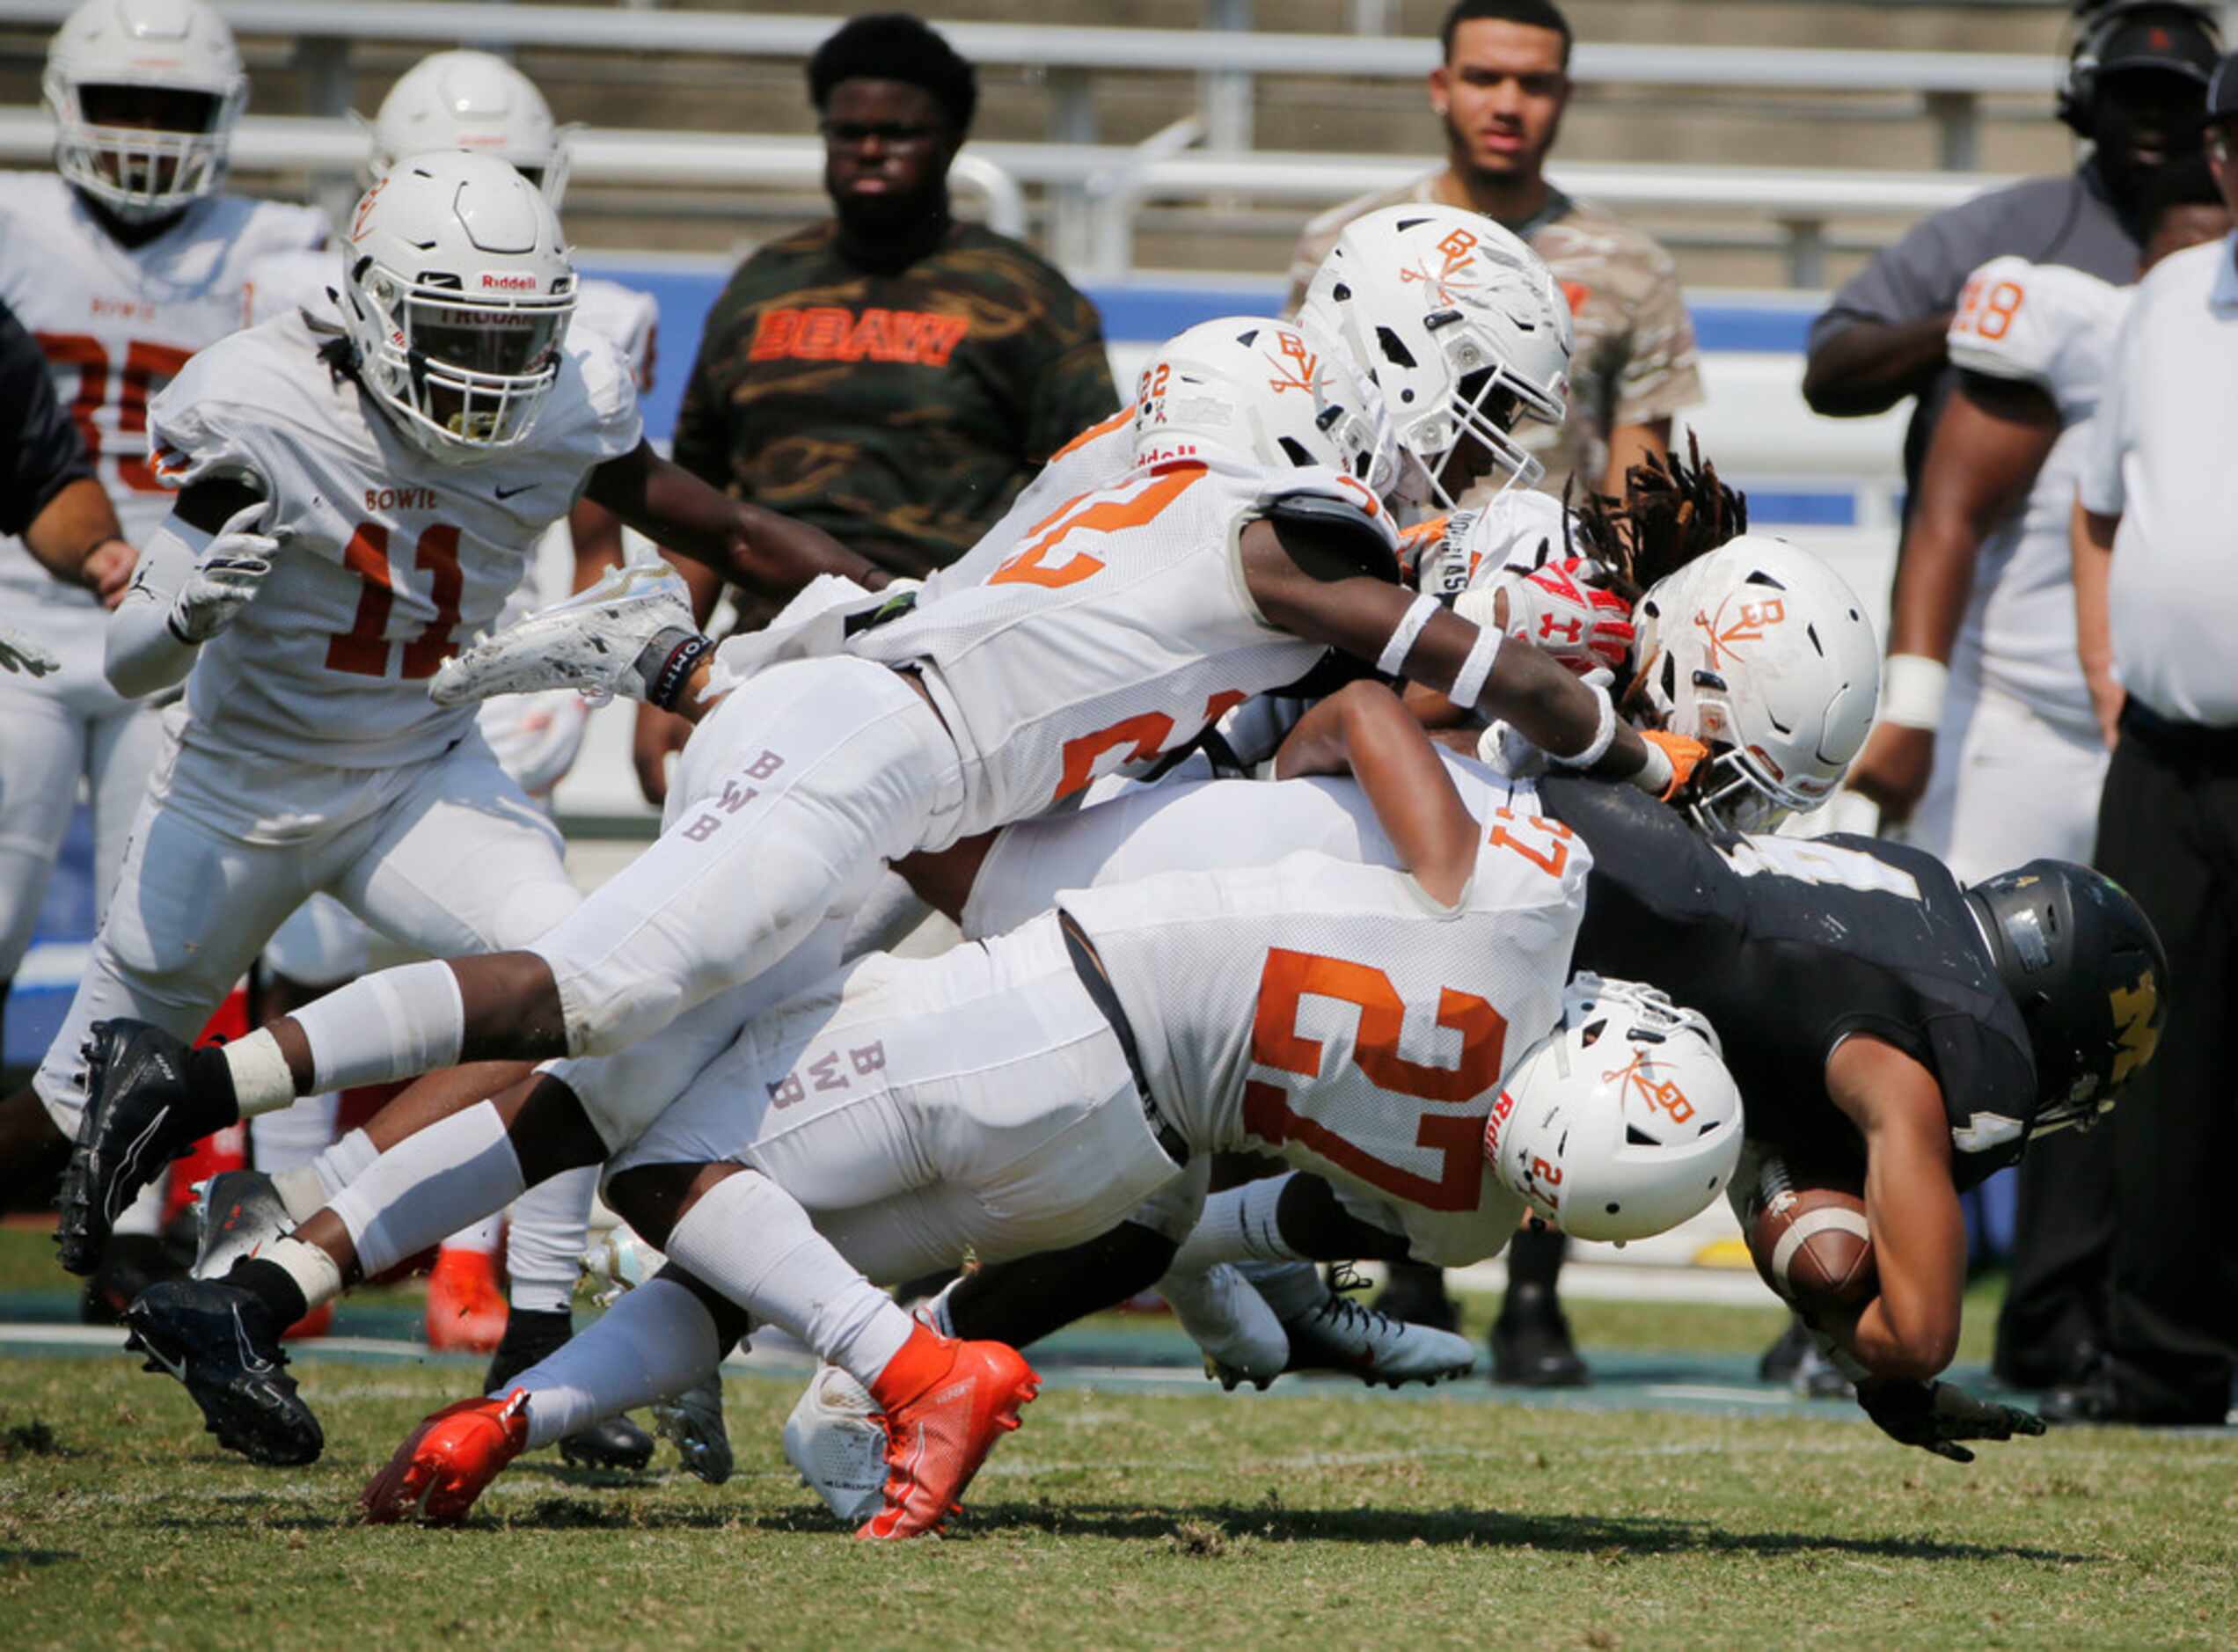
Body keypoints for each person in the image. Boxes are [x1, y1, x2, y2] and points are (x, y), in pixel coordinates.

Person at [354, 681, 1744, 1537]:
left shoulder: (1530, 900)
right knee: (741, 1259)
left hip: (1047, 1018)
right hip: (1112, 1176)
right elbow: (1262, 1210)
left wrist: (1277, 805)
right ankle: (506, 1424)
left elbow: (1373, 713)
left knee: (660, 1170)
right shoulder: (1468, 1222)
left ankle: (914, 1375)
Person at [10, 151, 878, 1301]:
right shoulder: (262, 399)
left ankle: (301, 1220)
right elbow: (131, 664)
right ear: (370, 303)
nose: (487, 371)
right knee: (70, 1108)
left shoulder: (571, 398)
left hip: (419, 770)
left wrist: (900, 605)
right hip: (235, 788)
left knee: (590, 987)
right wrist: (179, 620)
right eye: (454, 333)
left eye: (512, 340)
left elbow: (732, 531)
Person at [234, 47, 671, 1468]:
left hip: (494, 666)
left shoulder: (599, 320)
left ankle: (516, 1293)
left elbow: (599, 516)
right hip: (331, 684)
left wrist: (581, 650)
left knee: (558, 987)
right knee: (300, 958)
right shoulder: (290, 304)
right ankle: (267, 1244)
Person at [1841, 158, 2231, 1392]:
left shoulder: (2151, 310)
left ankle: (2084, 1321)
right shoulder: (2104, 306)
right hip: (2051, 717)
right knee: (1984, 1028)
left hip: (2126, 724)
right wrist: (1921, 700)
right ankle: (1886, 1296)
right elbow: (1962, 503)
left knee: (2105, 1050)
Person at [0, 0, 328, 1302]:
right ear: (70, 108)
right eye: (125, 106)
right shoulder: (15, 226)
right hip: (19, 620)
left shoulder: (281, 248)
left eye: (175, 112)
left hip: (190, 625)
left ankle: (123, 1215)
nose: (146, 138)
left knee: (167, 929)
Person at [633, 11, 1120, 803]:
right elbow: (695, 500)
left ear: (951, 143)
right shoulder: (761, 286)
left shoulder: (1027, 299)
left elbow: (1093, 499)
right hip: (764, 659)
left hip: (944, 666)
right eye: (846, 131)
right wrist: (665, 670)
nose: (868, 149)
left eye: (898, 132)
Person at [2054, 53, 2238, 1424]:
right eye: (2230, 135)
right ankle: (2160, 1364)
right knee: (2153, 1069)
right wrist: (2106, 668)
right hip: (2166, 750)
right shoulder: (2170, 298)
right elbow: (2100, 504)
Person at [1283, 0, 1703, 501]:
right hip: (1385, 569)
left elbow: (1636, 498)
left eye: (1534, 84)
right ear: (1441, 87)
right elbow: (1309, 435)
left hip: (1556, 573)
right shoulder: (1345, 244)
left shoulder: (1631, 269)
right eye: (1483, 78)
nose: (1507, 104)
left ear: (1564, 95)